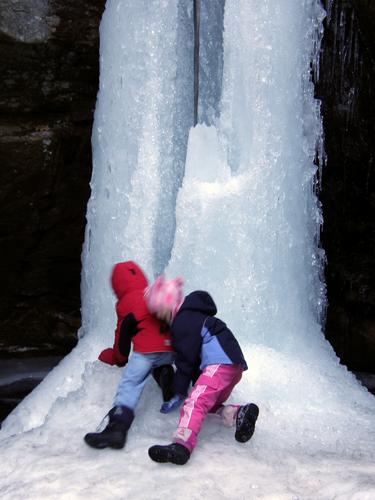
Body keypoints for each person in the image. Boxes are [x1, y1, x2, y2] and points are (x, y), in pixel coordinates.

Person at [145, 276, 260, 465]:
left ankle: (181, 445)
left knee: (195, 401)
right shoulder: (196, 318)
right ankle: (239, 413)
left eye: (158, 312)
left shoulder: (183, 320)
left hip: (219, 363)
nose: (159, 318)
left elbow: (186, 359)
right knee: (207, 403)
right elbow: (197, 357)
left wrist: (179, 389)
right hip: (232, 366)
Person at [84, 261, 175, 450]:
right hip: (169, 348)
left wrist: (116, 357)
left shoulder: (126, 303)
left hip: (146, 352)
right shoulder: (152, 295)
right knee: (158, 364)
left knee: (131, 385)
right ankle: (166, 375)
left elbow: (122, 335)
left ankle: (116, 429)